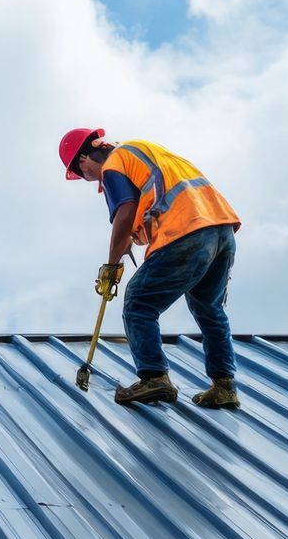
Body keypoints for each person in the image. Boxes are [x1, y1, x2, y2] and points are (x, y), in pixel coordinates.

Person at [59, 128, 242, 408]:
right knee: (209, 308)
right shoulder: (144, 150)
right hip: (220, 228)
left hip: (186, 231)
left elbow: (125, 209)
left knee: (138, 302)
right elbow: (150, 204)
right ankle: (225, 386)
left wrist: (111, 264)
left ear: (83, 159)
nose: (89, 179)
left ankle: (154, 377)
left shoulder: (113, 164)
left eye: (83, 174)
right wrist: (134, 236)